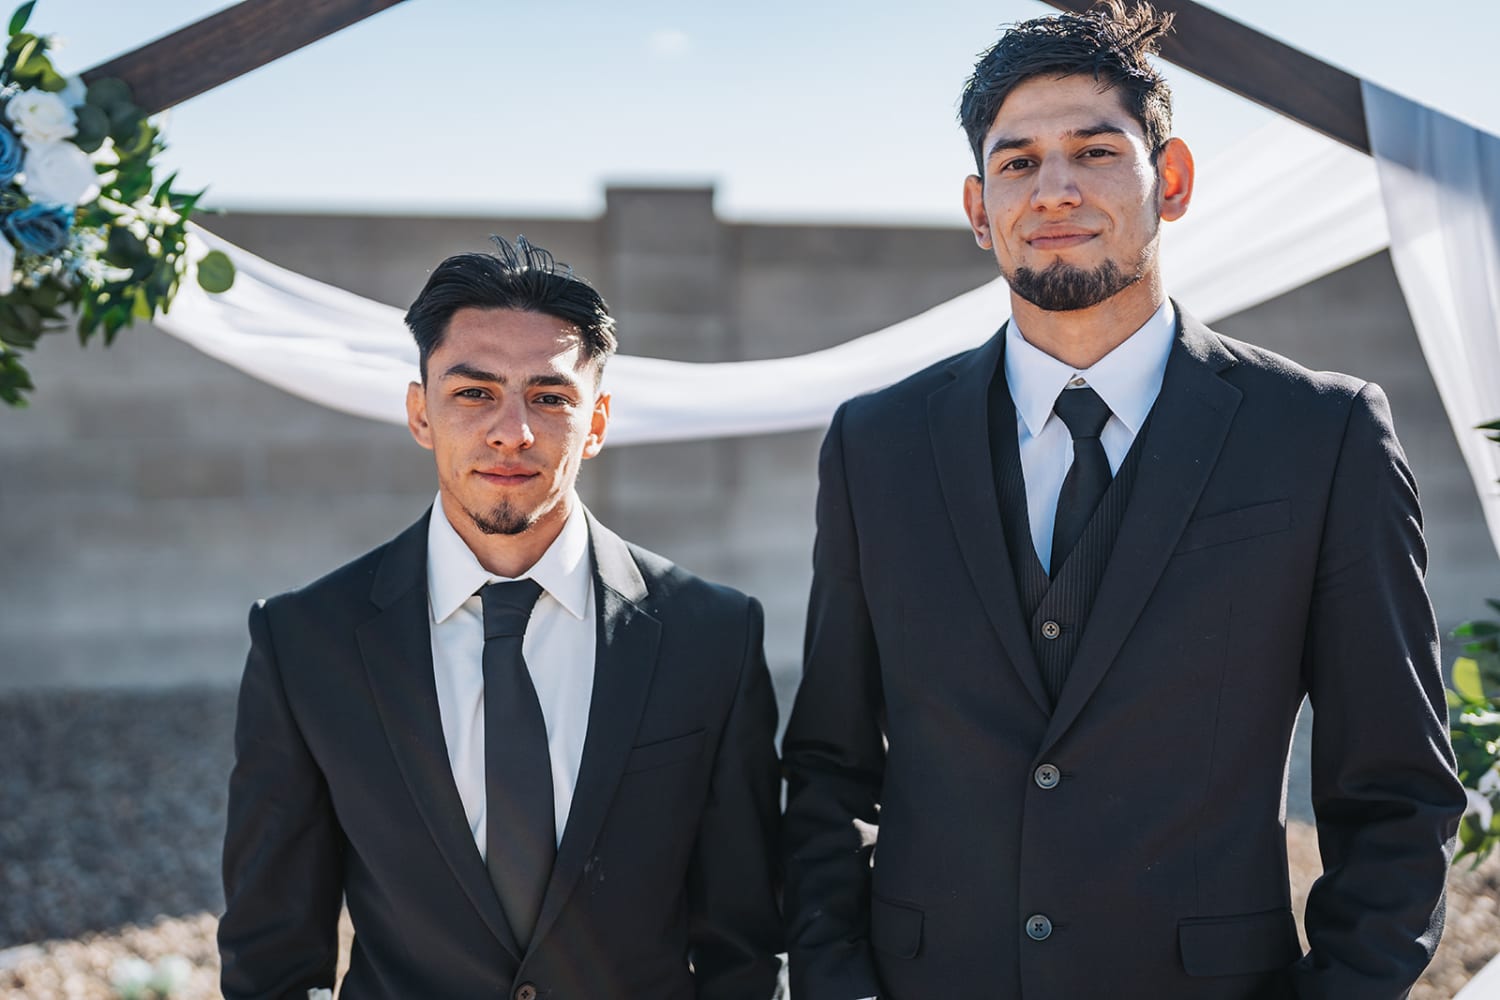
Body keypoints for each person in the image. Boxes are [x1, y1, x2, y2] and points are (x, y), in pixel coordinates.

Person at [780, 3, 1465, 998]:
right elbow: (830, 767)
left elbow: (1395, 792)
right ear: (979, 209)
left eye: (1094, 152)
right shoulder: (874, 445)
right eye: (1017, 164)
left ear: (1171, 181)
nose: (1053, 189)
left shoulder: (1322, 437)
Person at [219, 237, 782, 1000]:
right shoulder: (304, 642)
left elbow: (743, 947)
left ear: (597, 420)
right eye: (474, 392)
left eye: (549, 397)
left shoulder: (711, 635)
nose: (511, 431)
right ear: (421, 411)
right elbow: (271, 958)